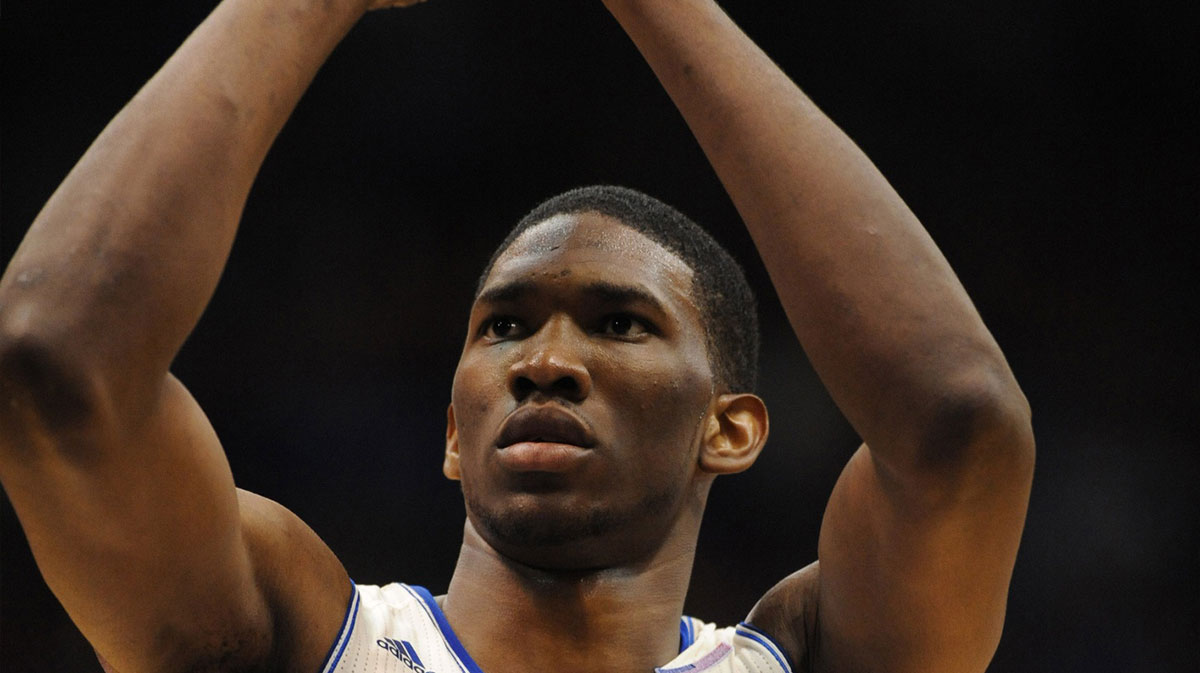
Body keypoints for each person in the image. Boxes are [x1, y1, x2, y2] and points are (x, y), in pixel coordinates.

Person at [0, 0, 1035, 671]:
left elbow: (960, 424)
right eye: (503, 326)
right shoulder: (299, 638)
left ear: (729, 429)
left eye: (620, 323)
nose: (544, 362)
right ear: (455, 432)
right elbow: (53, 367)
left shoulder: (808, 658)